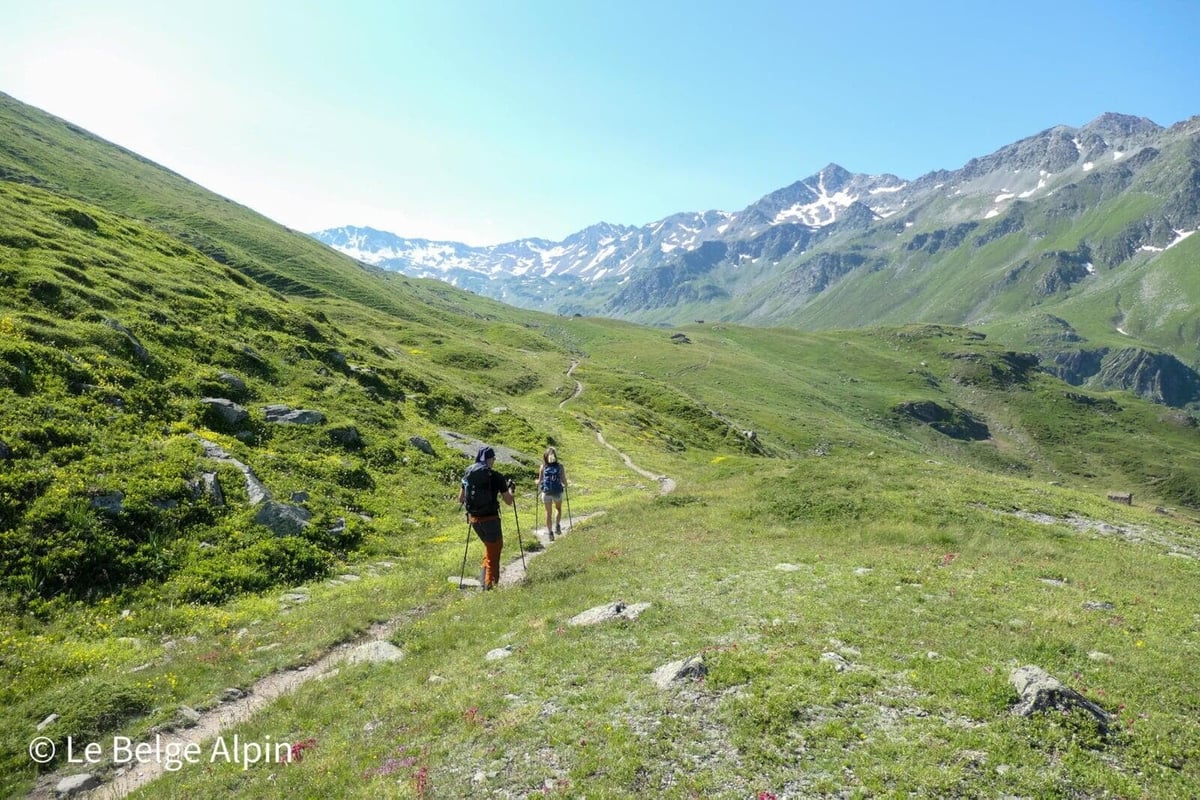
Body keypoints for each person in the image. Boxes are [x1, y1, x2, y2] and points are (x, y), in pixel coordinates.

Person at [458, 445, 514, 589]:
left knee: (491, 547)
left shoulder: (468, 473)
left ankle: (484, 579)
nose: (494, 461)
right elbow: (508, 501)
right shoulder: (496, 476)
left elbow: (461, 498)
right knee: (494, 551)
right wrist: (511, 489)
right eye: (493, 458)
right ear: (490, 459)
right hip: (491, 519)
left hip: (474, 520)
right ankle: (489, 586)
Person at [537, 446, 568, 541]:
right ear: (555, 456)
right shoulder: (560, 466)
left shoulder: (543, 467)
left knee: (548, 512)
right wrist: (566, 485)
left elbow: (539, 481)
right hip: (557, 492)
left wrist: (536, 482)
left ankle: (550, 533)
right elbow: (563, 480)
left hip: (546, 492)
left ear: (545, 456)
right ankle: (557, 525)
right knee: (558, 508)